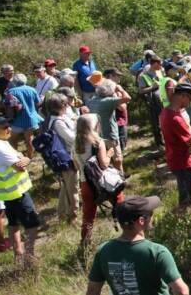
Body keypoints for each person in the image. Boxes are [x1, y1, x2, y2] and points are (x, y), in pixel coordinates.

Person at [0, 116, 39, 265]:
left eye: (9, 125)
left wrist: (22, 157)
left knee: (13, 224)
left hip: (6, 194)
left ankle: (19, 256)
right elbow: (20, 165)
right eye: (4, 127)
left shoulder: (2, 143)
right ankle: (30, 257)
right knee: (31, 224)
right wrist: (27, 158)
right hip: (18, 192)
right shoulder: (0, 147)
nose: (9, 129)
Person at [160, 84, 191, 210]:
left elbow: (189, 129)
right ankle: (187, 218)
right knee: (188, 198)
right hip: (184, 163)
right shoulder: (175, 118)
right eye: (190, 99)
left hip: (185, 158)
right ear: (183, 96)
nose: (190, 103)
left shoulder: (168, 111)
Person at [75, 113, 120, 245]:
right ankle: (129, 230)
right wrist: (110, 153)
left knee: (88, 215)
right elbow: (104, 164)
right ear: (94, 126)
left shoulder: (75, 143)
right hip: (103, 182)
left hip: (85, 183)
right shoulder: (97, 142)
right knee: (120, 203)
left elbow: (76, 165)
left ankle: (85, 242)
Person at [45, 94, 80, 224]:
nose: (68, 106)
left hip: (65, 156)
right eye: (66, 104)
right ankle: (72, 216)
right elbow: (72, 138)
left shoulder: (57, 118)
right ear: (62, 106)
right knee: (73, 187)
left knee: (66, 186)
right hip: (67, 158)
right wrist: (79, 127)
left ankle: (62, 214)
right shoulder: (58, 122)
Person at [87, 78, 131, 173]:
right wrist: (121, 90)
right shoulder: (108, 101)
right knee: (117, 159)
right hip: (110, 135)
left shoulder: (92, 100)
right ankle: (120, 179)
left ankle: (109, 180)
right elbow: (127, 99)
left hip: (97, 135)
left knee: (103, 159)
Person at [5, 74, 43, 158]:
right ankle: (29, 157)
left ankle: (14, 157)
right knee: (29, 139)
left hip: (17, 120)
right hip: (31, 120)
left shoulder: (11, 91)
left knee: (12, 140)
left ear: (14, 82)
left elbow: (6, 104)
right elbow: (38, 103)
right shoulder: (32, 90)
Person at [138, 56, 164, 147]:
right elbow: (141, 91)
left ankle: (166, 140)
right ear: (155, 64)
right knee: (156, 123)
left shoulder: (159, 71)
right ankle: (159, 143)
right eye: (160, 64)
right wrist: (152, 87)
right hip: (153, 103)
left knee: (165, 121)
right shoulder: (143, 75)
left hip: (163, 100)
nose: (161, 66)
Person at [104, 68, 129, 152]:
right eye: (117, 76)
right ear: (110, 76)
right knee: (119, 148)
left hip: (119, 121)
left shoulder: (113, 89)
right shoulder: (110, 90)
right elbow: (122, 107)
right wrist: (121, 93)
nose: (119, 78)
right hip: (118, 122)